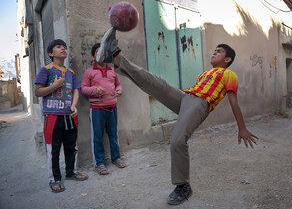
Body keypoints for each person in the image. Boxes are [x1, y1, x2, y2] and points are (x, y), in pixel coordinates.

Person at [97, 27, 258, 205]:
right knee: (155, 82)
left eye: (219, 51)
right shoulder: (205, 73)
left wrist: (242, 128)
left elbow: (233, 101)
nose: (214, 52)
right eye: (214, 50)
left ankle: (183, 186)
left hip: (200, 104)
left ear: (227, 59)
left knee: (178, 140)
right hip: (186, 98)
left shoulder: (229, 74)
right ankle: (116, 56)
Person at [34, 39, 88, 193]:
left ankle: (71, 171)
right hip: (52, 116)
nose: (63, 49)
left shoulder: (70, 73)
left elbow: (76, 90)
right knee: (53, 149)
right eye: (58, 47)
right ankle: (54, 178)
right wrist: (54, 86)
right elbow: (38, 91)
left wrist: (74, 105)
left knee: (72, 146)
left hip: (69, 116)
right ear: (51, 53)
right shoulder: (46, 70)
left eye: (64, 47)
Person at [81, 43, 126, 176]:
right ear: (93, 56)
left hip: (112, 108)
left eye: (103, 52)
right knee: (97, 137)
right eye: (97, 53)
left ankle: (116, 157)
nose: (101, 55)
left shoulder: (112, 71)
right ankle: (99, 163)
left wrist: (119, 90)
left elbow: (118, 84)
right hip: (97, 109)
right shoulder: (89, 72)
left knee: (113, 135)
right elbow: (83, 88)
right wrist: (95, 90)